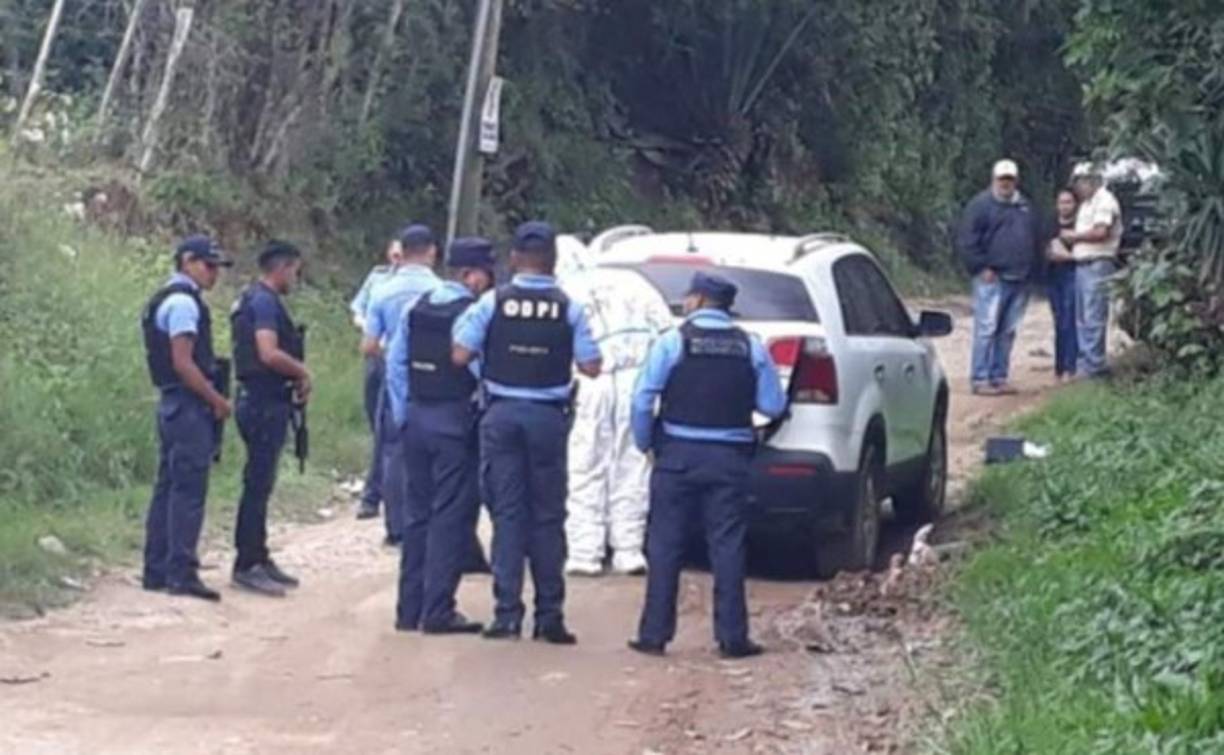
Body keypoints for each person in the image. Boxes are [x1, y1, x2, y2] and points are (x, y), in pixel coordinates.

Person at [452, 221, 602, 644]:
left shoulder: (492, 303)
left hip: (501, 417)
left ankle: (506, 615)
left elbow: (460, 353)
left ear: (514, 258)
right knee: (548, 517)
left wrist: (494, 364)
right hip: (547, 419)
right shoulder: (569, 308)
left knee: (508, 515)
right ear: (553, 260)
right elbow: (592, 366)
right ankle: (550, 617)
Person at [625, 272, 785, 659]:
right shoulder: (750, 347)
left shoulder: (673, 342)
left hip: (677, 456)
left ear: (697, 300)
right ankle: (732, 638)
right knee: (727, 545)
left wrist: (646, 442)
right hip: (729, 459)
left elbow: (642, 399)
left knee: (664, 545)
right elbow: (773, 406)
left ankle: (654, 635)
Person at [386, 238, 497, 633]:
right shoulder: (473, 313)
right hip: (453, 423)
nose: (487, 281)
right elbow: (479, 371)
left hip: (416, 420)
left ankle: (408, 610)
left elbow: (395, 365)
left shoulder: (416, 308)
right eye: (484, 273)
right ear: (469, 274)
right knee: (450, 516)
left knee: (417, 516)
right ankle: (438, 611)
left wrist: (404, 415)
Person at [561, 268, 673, 577]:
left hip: (590, 380)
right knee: (633, 464)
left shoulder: (568, 288)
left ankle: (585, 552)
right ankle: (629, 550)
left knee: (586, 465)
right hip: (635, 380)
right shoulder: (638, 282)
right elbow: (666, 333)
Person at [140, 235, 233, 602]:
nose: (214, 274)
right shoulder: (183, 304)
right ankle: (181, 571)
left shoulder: (165, 299)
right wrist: (216, 400)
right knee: (188, 489)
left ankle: (157, 569)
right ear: (188, 262)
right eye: (209, 266)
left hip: (172, 403)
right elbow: (184, 362)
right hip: (188, 404)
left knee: (168, 486)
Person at [229, 241, 311, 597]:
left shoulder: (254, 299)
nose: (295, 277)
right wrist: (302, 372)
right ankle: (247, 562)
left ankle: (258, 555)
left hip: (261, 400)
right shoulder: (263, 302)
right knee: (257, 484)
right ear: (282, 267)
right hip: (262, 402)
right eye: (294, 270)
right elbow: (267, 352)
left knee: (262, 482)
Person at [361, 224, 440, 546]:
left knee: (393, 452)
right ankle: (427, 524)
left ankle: (396, 529)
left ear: (401, 252)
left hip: (394, 382)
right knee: (432, 453)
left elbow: (368, 346)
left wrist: (393, 352)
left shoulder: (382, 291)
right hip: (434, 381)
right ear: (432, 252)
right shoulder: (440, 290)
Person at [957, 159, 1043, 395]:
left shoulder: (1024, 206)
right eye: (1002, 179)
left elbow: (1035, 238)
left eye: (1010, 180)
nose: (1006, 184)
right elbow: (967, 241)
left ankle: (999, 376)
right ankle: (980, 378)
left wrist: (1034, 270)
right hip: (992, 278)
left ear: (1016, 181)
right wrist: (980, 267)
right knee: (986, 328)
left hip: (1020, 278)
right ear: (994, 180)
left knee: (1007, 331)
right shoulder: (980, 206)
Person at [351, 239, 404, 521]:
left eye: (400, 254)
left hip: (396, 359)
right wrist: (369, 326)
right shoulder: (378, 278)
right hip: (377, 354)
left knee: (388, 432)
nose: (396, 259)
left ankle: (373, 495)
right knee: (378, 424)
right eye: (393, 253)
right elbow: (358, 309)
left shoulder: (417, 285)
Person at [1064, 162, 1122, 379]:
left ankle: (1095, 366)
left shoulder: (1104, 201)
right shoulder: (1087, 204)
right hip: (1084, 264)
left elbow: (1101, 232)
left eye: (1079, 182)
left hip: (1097, 263)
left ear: (1090, 180)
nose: (1077, 188)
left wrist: (1074, 237)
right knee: (1083, 317)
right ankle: (1087, 364)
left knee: (1093, 315)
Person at [1046, 189, 1080, 381]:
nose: (1065, 206)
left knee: (1070, 318)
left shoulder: (1081, 225)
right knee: (1058, 320)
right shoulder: (1050, 224)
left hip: (1072, 273)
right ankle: (1059, 368)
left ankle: (1070, 366)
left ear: (1075, 205)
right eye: (1061, 202)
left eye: (1068, 202)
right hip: (1053, 276)